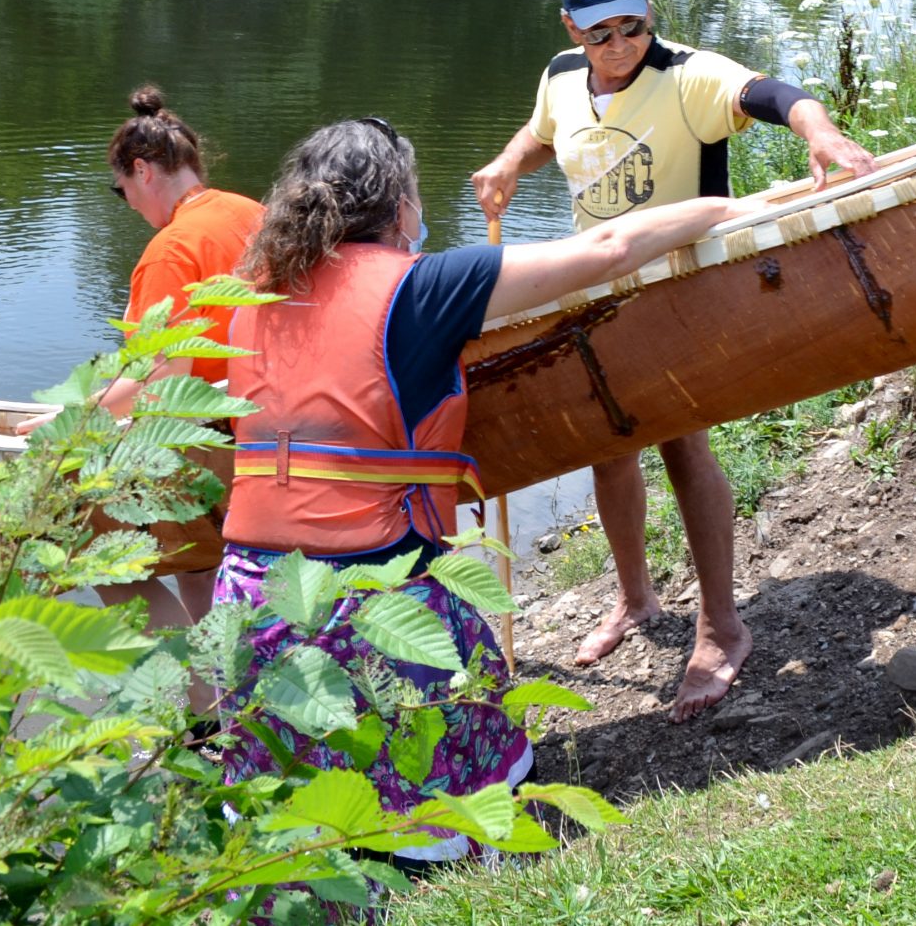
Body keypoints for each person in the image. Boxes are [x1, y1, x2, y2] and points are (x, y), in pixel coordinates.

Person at [215, 116, 737, 868]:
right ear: (397, 204)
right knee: (454, 729)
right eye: (416, 193)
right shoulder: (420, 287)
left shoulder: (253, 292)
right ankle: (453, 863)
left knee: (292, 822)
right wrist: (724, 208)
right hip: (371, 596)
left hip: (249, 599)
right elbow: (606, 249)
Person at [469, 0, 875, 719]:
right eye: (600, 33)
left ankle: (722, 627)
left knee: (682, 441)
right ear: (571, 30)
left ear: (649, 14)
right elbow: (543, 129)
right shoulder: (562, 74)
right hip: (598, 289)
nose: (619, 43)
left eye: (632, 25)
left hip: (685, 289)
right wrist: (508, 162)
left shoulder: (689, 76)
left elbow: (778, 93)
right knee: (606, 443)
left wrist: (818, 130)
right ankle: (635, 598)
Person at [93, 86, 264, 635]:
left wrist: (76, 416)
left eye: (123, 193)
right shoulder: (254, 212)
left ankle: (199, 700)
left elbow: (161, 386)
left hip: (225, 446)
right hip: (286, 425)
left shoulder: (171, 250)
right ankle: (229, 681)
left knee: (92, 551)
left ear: (142, 171)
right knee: (196, 563)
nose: (132, 209)